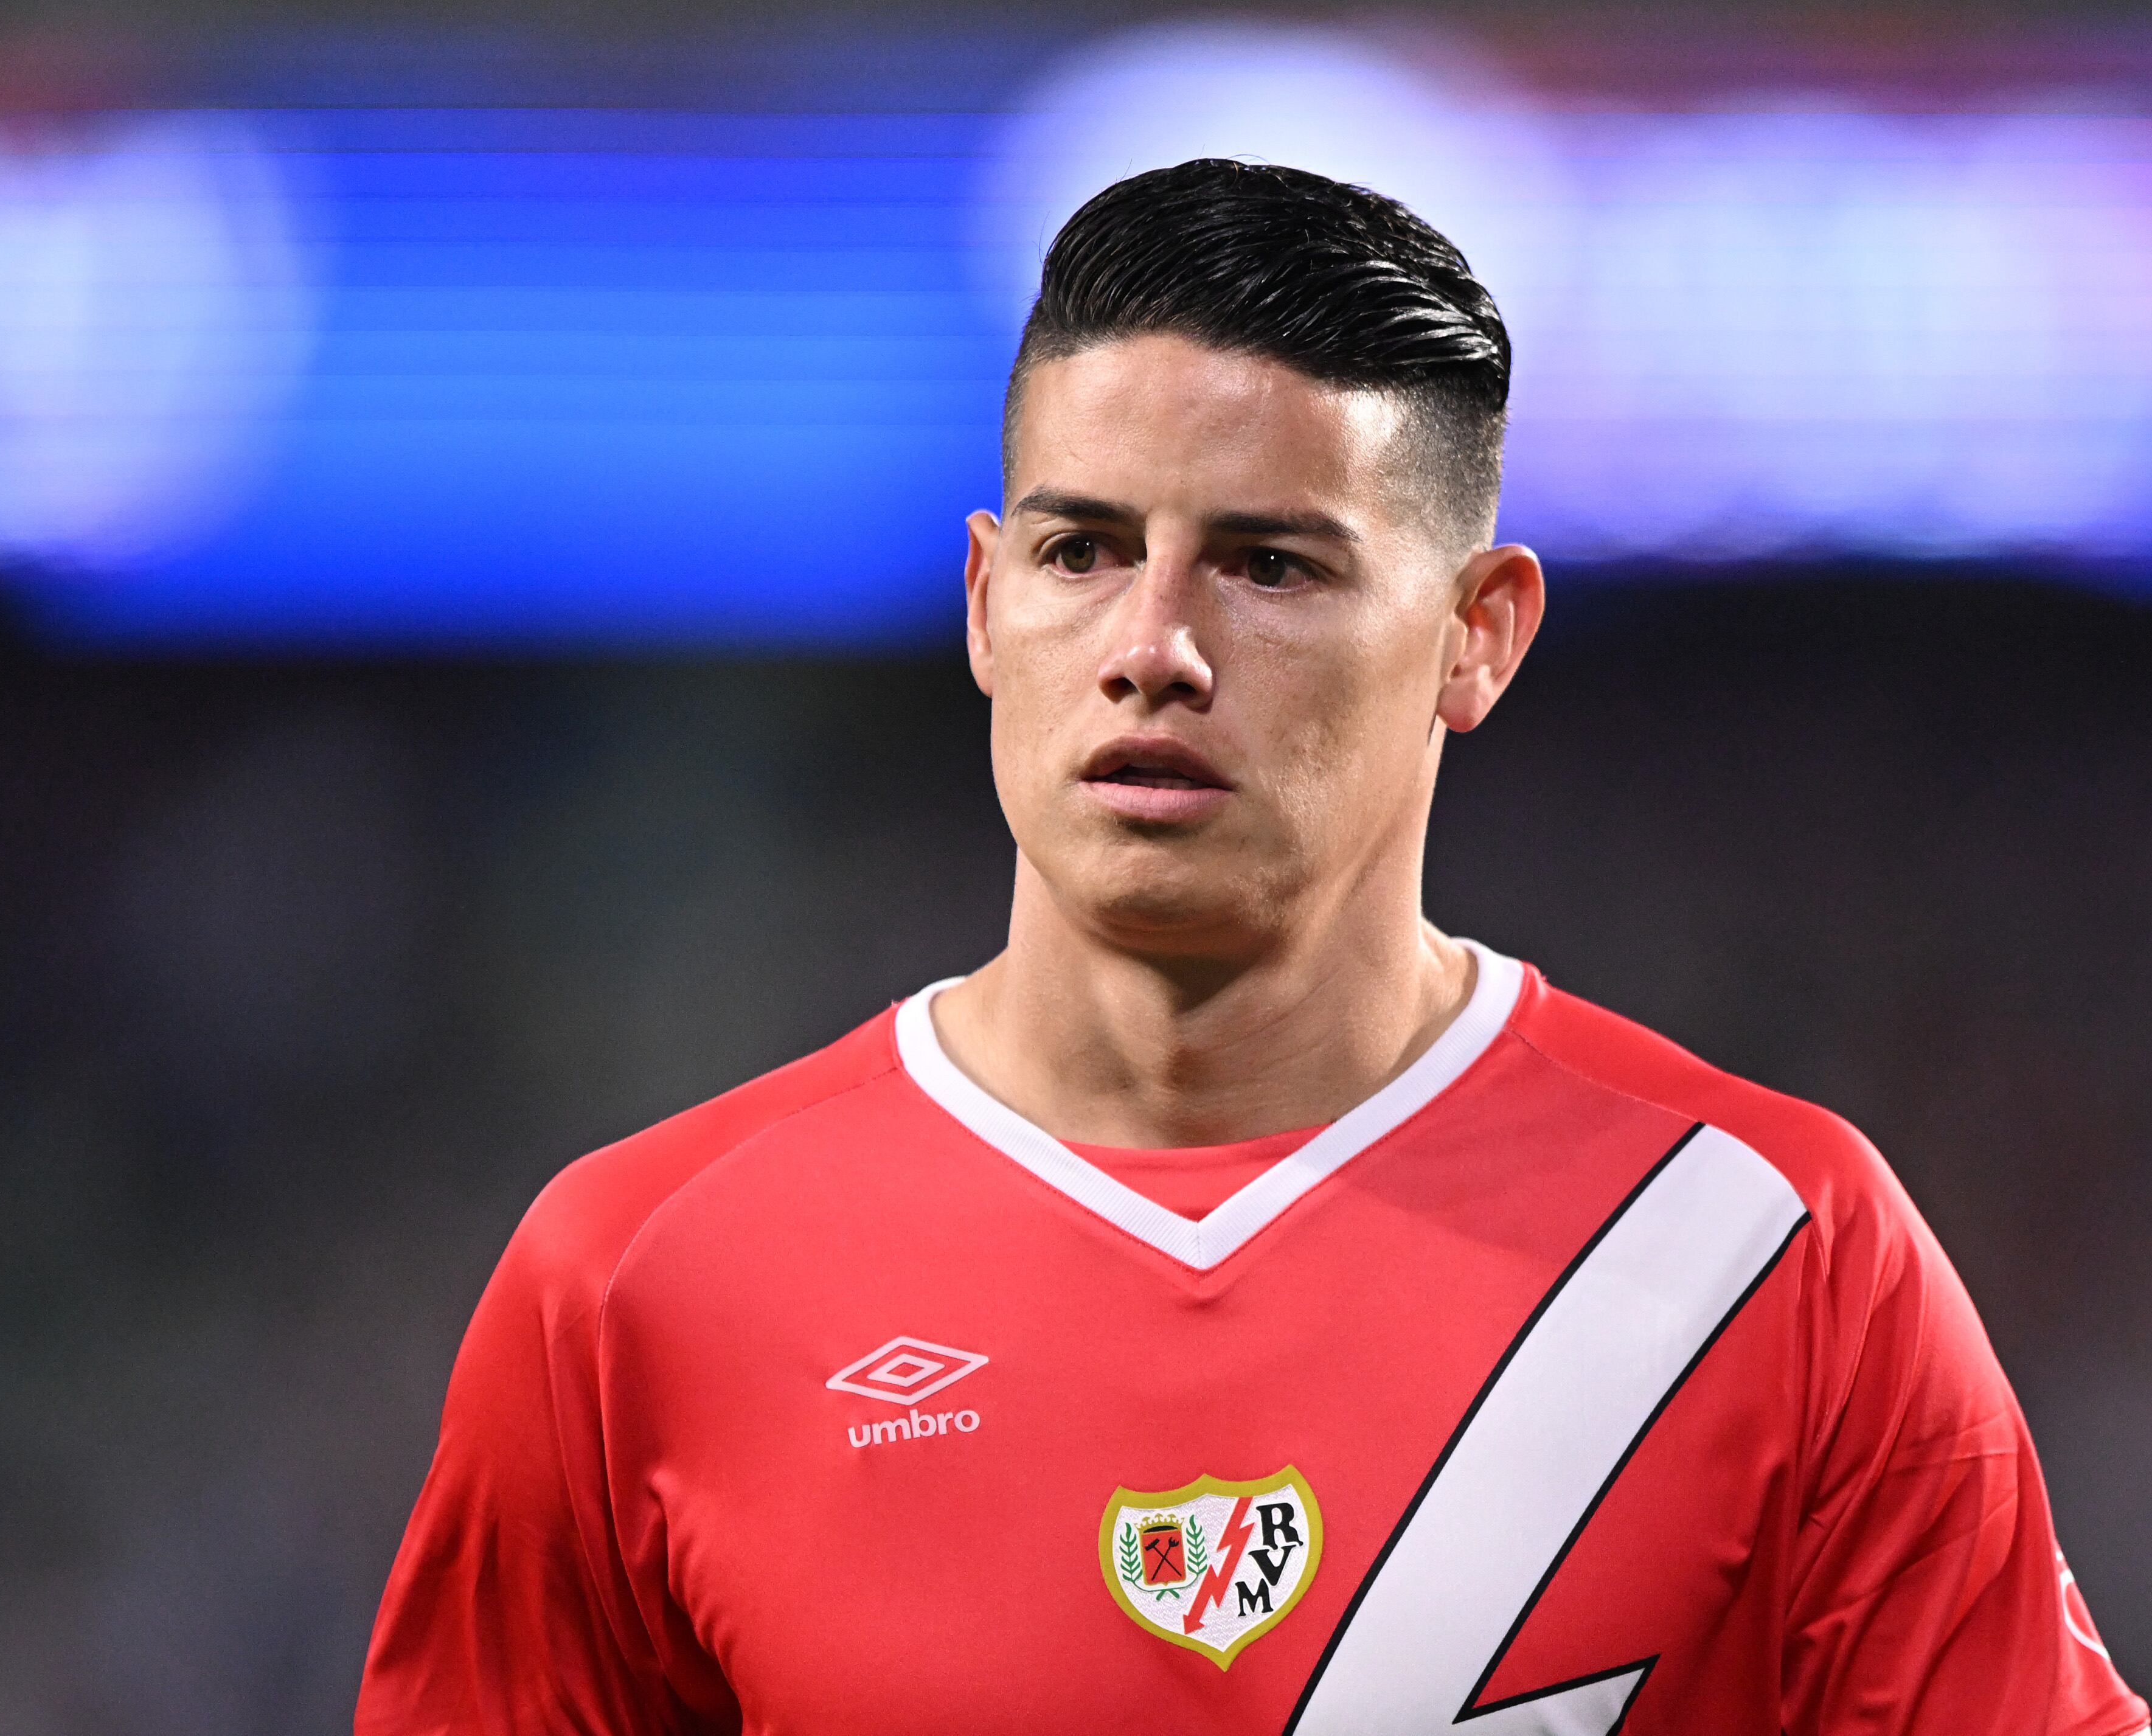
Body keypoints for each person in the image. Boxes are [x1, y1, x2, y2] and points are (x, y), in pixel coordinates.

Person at [355, 159, 2147, 1734]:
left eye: (1268, 566)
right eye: (1080, 551)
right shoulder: (639, 1280)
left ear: (1476, 635)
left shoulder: (1774, 1258)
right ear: (984, 601)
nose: (1154, 646)